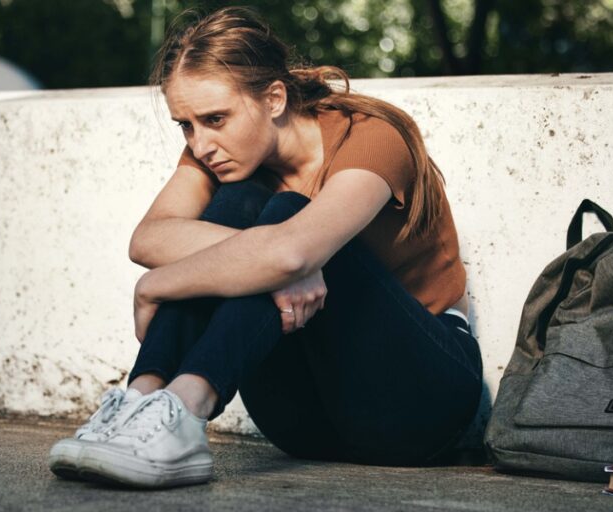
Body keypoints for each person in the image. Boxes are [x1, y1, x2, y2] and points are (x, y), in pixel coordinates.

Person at [47, 6, 483, 489]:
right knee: (245, 204)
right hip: (307, 423)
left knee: (287, 215)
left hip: (423, 404)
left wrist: (157, 285)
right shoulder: (221, 152)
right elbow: (149, 237)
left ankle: (187, 406)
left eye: (214, 119)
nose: (200, 143)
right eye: (185, 126)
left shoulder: (370, 136)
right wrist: (272, 258)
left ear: (274, 98)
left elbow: (292, 252)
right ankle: (141, 403)